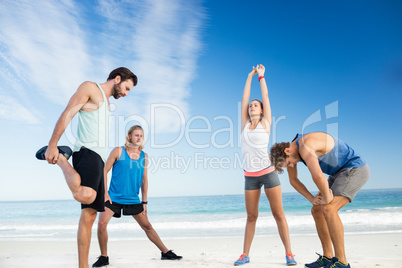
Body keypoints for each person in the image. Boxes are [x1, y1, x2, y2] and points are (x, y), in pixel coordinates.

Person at [35, 67, 138, 268]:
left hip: (98, 160)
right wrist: (53, 144)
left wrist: (105, 187)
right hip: (86, 151)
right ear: (117, 79)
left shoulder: (107, 104)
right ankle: (62, 159)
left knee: (89, 215)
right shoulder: (90, 88)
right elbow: (68, 113)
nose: (126, 93)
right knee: (86, 196)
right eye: (126, 88)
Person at [269, 132, 369, 268]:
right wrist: (312, 199)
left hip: (354, 169)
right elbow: (293, 180)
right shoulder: (294, 150)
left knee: (329, 209)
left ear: (287, 151)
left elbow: (317, 176)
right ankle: (328, 257)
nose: (292, 166)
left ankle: (342, 262)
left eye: (289, 163)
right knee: (316, 210)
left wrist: (327, 199)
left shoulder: (305, 146)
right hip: (337, 173)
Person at [92, 125, 182, 267]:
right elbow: (104, 171)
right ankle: (104, 257)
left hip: (133, 199)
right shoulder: (118, 151)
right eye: (136, 135)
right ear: (129, 136)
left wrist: (144, 202)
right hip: (113, 197)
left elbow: (144, 180)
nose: (139, 138)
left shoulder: (144, 156)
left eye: (141, 135)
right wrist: (105, 194)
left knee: (147, 226)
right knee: (102, 224)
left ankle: (165, 252)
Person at [234, 65, 296, 266]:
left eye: (255, 105)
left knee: (278, 214)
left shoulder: (266, 123)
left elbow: (266, 97)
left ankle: (289, 254)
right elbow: (243, 99)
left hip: (269, 174)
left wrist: (261, 77)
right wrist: (249, 76)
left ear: (261, 111)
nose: (251, 106)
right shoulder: (244, 124)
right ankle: (245, 254)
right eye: (250, 105)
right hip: (249, 177)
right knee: (251, 216)